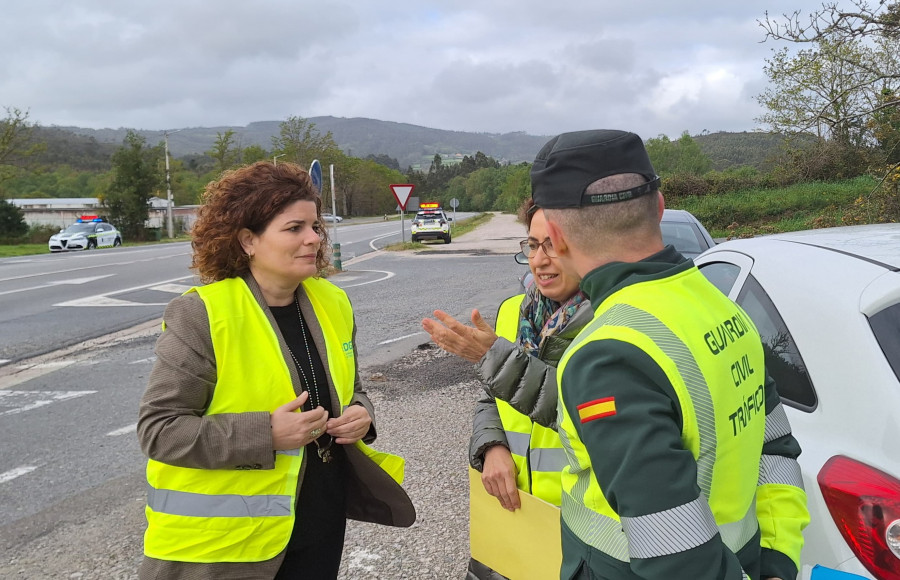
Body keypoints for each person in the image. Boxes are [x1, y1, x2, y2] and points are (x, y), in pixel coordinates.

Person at [527, 130, 809, 580]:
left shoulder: (606, 354)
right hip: (756, 559)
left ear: (556, 237)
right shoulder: (722, 307)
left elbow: (680, 560)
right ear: (658, 207)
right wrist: (776, 560)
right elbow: (774, 450)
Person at [136, 161, 415, 580]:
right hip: (223, 548)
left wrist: (362, 414)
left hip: (318, 519)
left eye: (316, 226)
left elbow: (350, 388)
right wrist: (266, 434)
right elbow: (159, 430)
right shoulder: (203, 314)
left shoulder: (332, 302)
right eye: (294, 228)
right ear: (248, 240)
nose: (313, 239)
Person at [422, 198, 592, 579]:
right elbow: (493, 396)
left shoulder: (611, 321)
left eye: (553, 245)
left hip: (581, 532)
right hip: (513, 520)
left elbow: (586, 414)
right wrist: (491, 446)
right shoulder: (516, 309)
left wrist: (495, 359)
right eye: (532, 245)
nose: (539, 260)